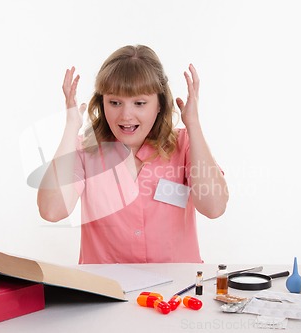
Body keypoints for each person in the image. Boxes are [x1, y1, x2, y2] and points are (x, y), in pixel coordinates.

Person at [37, 45, 228, 264]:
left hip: (176, 293)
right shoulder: (84, 151)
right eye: (115, 102)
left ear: (159, 105)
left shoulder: (185, 144)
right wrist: (71, 127)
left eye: (139, 103)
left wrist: (193, 125)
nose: (126, 115)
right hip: (108, 292)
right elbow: (52, 211)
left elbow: (214, 207)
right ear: (102, 103)